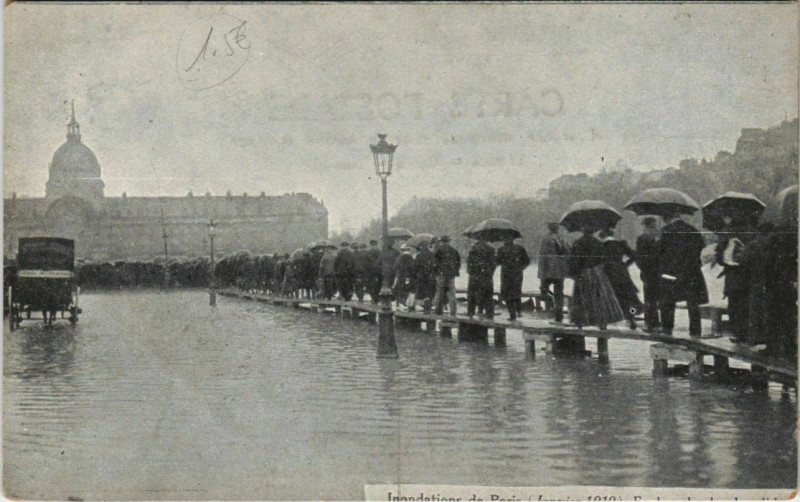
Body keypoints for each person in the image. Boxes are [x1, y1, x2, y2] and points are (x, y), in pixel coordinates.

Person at [657, 212, 708, 337]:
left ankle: (667, 329)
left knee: (668, 301)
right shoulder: (693, 230)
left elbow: (660, 251)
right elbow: (702, 248)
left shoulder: (667, 230)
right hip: (692, 272)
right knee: (693, 303)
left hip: (672, 272)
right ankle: (695, 332)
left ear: (666, 218)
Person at [568, 224, 625, 330]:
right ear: (593, 230)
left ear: (582, 230)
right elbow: (603, 259)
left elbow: (573, 262)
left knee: (580, 298)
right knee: (600, 298)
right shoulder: (598, 243)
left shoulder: (577, 243)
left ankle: (580, 322)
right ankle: (602, 323)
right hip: (597, 273)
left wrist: (574, 274)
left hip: (583, 273)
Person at [714, 217, 752, 344]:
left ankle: (737, 334)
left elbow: (719, 259)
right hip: (748, 278)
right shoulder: (752, 233)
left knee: (734, 307)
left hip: (733, 279)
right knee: (746, 306)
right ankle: (747, 334)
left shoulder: (727, 235)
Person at [599, 228, 643, 330]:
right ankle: (631, 319)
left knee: (606, 297)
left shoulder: (601, 246)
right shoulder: (620, 244)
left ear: (603, 236)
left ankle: (604, 322)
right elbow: (633, 255)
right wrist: (625, 264)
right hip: (621, 273)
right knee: (628, 298)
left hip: (606, 273)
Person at [741, 223, 774, 345]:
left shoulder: (753, 245)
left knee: (755, 311)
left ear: (759, 232)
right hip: (771, 282)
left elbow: (744, 263)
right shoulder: (774, 245)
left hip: (755, 281)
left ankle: (754, 338)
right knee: (768, 311)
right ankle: (768, 339)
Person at [537, 222, 569, 324]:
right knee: (559, 293)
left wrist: (541, 274)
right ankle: (558, 315)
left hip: (547, 271)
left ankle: (551, 307)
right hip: (559, 271)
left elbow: (542, 257)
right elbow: (568, 252)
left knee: (544, 291)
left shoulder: (545, 239)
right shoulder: (561, 239)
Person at [635, 217, 661, 332]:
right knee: (658, 297)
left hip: (648, 272)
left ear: (645, 226)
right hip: (660, 271)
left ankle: (650, 322)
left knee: (649, 298)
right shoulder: (659, 236)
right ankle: (657, 321)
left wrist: (643, 268)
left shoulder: (642, 238)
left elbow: (639, 257)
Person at [497, 236, 530, 321]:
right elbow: (527, 261)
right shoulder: (520, 248)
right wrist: (521, 268)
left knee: (507, 294)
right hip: (517, 274)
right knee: (517, 292)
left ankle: (512, 314)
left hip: (506, 275)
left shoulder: (501, 250)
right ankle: (519, 311)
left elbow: (497, 262)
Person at [466, 238, 497, 318]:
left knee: (472, 295)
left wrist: (471, 272)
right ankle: (490, 314)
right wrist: (490, 273)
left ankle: (471, 313)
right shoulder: (491, 249)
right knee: (488, 295)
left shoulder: (473, 249)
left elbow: (469, 263)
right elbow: (494, 264)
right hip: (487, 276)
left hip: (474, 276)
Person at [433, 235, 461, 316]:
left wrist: (436, 272)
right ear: (449, 241)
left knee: (439, 293)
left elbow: (434, 263)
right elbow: (458, 263)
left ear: (441, 241)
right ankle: (453, 312)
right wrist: (455, 272)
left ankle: (438, 311)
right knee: (452, 293)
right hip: (451, 276)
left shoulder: (438, 250)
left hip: (441, 275)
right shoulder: (454, 250)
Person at [412, 239, 436, 313]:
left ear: (421, 247)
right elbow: (434, 265)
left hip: (421, 276)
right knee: (429, 292)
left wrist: (414, 274)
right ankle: (428, 306)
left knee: (422, 292)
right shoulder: (432, 254)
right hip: (430, 276)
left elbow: (415, 266)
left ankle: (425, 307)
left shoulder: (419, 255)